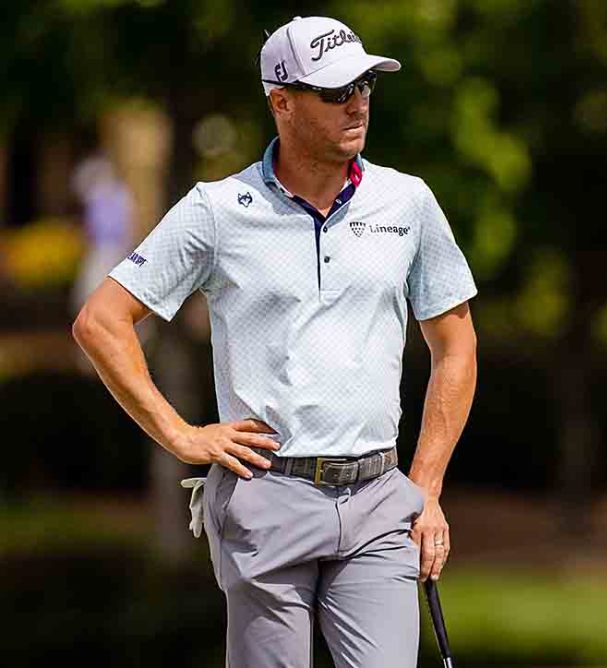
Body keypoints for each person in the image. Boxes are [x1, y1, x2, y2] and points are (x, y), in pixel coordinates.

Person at [72, 16, 478, 668]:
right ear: (281, 101)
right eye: (336, 89)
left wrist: (426, 489)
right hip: (268, 498)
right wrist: (183, 437)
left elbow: (455, 347)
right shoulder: (218, 209)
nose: (358, 101)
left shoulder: (409, 203)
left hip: (379, 500)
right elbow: (101, 321)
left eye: (366, 83)